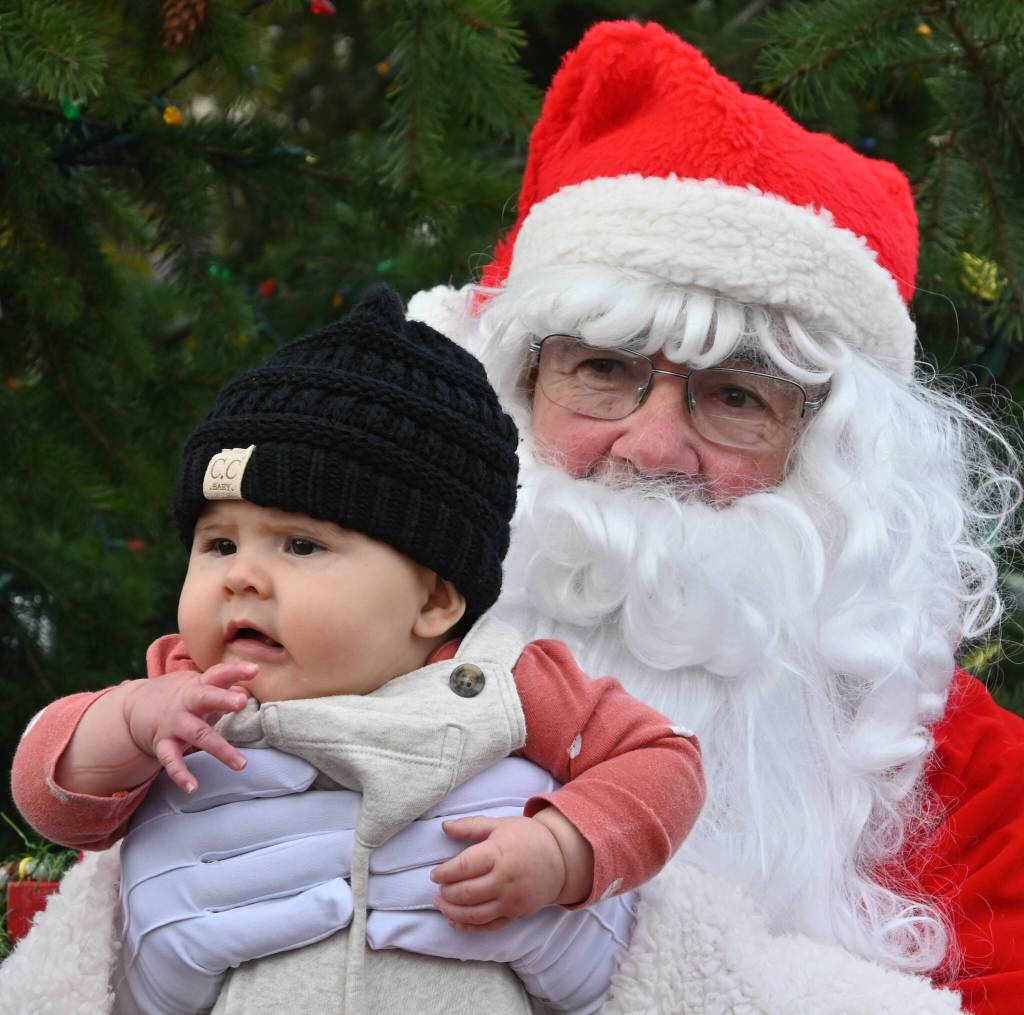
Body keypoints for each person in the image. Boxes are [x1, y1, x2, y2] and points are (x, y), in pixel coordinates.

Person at [9, 17, 1024, 1015]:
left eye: (736, 398)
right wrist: (125, 965)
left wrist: (635, 962)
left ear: (832, 459)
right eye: (604, 371)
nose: (653, 447)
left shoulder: (967, 780)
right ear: (513, 385)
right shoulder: (317, 635)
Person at [7, 283, 703, 1014]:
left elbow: (665, 760)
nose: (240, 575)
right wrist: (122, 726)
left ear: (435, 600)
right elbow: (50, 797)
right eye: (218, 543)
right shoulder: (186, 688)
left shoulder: (505, 679)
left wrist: (564, 848)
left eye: (301, 544)